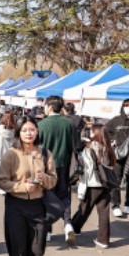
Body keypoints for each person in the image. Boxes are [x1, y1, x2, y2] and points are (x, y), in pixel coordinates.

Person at [0, 115, 57, 256]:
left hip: (38, 205)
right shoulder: (11, 154)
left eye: (31, 129)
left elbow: (53, 180)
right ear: (18, 133)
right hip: (16, 205)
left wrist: (44, 179)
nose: (28, 133)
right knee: (18, 246)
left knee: (37, 247)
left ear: (37, 131)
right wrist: (22, 187)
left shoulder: (45, 153)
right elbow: (1, 181)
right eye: (24, 130)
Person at [38, 96, 78, 243]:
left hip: (46, 166)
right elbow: (76, 145)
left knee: (47, 197)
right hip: (64, 165)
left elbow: (36, 147)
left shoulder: (41, 125)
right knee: (64, 195)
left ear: (49, 107)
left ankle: (47, 230)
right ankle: (68, 224)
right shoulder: (69, 123)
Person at [70, 124, 115, 249]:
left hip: (93, 183)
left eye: (91, 131)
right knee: (103, 212)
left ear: (95, 133)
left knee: (84, 208)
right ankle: (103, 240)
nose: (89, 133)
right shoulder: (107, 147)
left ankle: (73, 228)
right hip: (105, 183)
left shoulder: (91, 147)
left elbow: (87, 167)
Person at [0, 111, 16, 186]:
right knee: (10, 172)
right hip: (11, 154)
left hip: (0, 152)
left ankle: (2, 187)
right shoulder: (15, 131)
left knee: (0, 172)